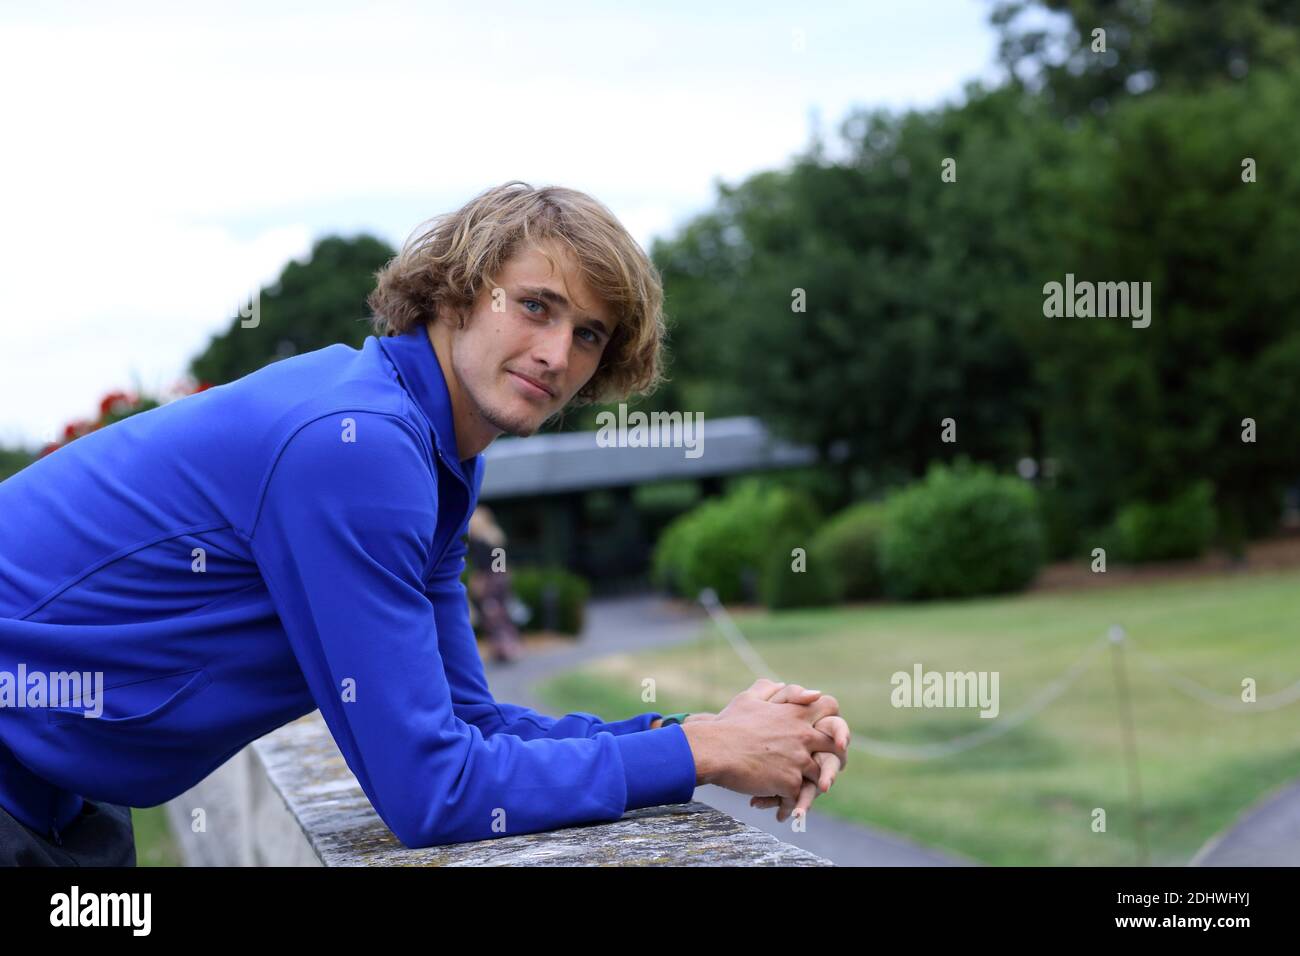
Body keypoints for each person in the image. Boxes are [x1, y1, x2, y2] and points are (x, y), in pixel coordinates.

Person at [0, 181, 850, 862]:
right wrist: (701, 756)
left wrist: (700, 735)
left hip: (55, 798)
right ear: (456, 292)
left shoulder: (432, 455)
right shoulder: (359, 445)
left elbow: (466, 726)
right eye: (536, 306)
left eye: (589, 334)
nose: (558, 356)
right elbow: (432, 794)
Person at [465, 506, 525, 664]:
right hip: (500, 580)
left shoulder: (479, 540)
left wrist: (480, 581)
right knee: (501, 614)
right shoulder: (496, 536)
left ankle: (503, 649)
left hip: (489, 582)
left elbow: (481, 566)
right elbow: (501, 563)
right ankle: (507, 647)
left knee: (492, 616)